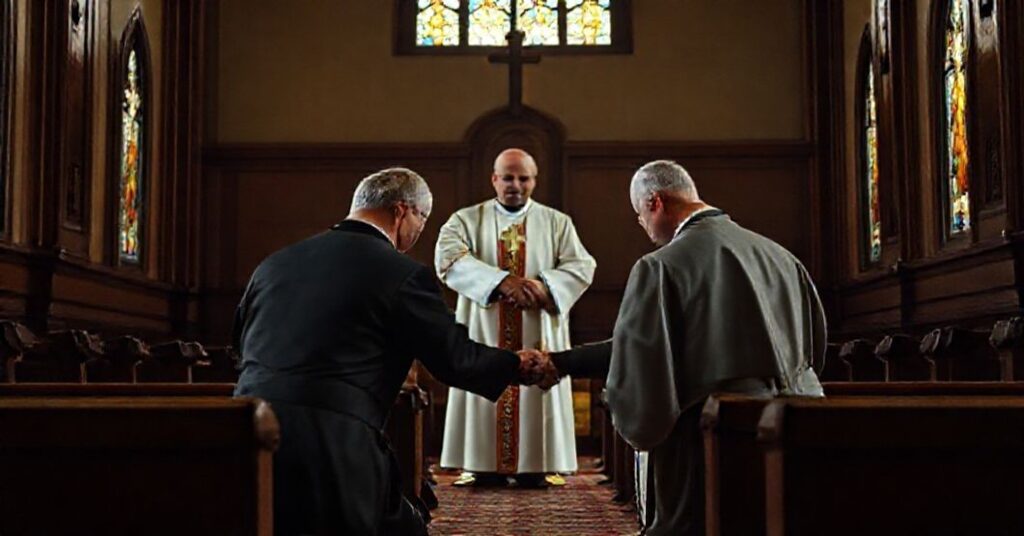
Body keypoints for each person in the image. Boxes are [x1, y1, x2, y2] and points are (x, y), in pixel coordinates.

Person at [233, 168, 543, 535]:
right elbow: (455, 360)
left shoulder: (274, 264)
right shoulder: (402, 274)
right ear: (402, 211)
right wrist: (516, 364)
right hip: (335, 447)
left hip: (246, 435)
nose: (419, 231)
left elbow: (240, 342)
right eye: (423, 220)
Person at [529, 160, 825, 535]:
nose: (643, 226)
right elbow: (814, 350)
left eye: (639, 214)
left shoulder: (660, 266)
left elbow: (640, 360)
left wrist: (577, 375)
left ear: (655, 202)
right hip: (791, 428)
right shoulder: (782, 257)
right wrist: (564, 361)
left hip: (708, 439)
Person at [436, 148, 596, 488]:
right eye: (507, 177)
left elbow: (582, 266)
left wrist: (545, 286)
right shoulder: (466, 220)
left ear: (534, 181)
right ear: (494, 179)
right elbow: (448, 258)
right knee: (484, 377)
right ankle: (480, 464)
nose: (515, 184)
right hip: (485, 331)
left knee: (537, 382)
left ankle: (538, 465)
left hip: (537, 328)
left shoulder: (557, 222)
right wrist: (500, 282)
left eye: (523, 177)